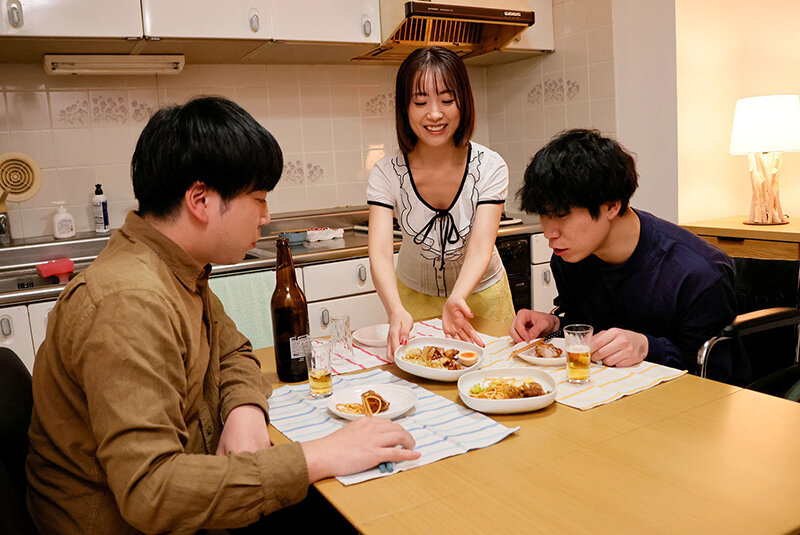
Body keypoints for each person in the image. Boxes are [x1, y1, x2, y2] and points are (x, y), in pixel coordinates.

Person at [26, 96, 420, 535]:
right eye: (258, 199)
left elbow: (233, 351)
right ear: (201, 200)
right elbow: (151, 492)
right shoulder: (129, 301)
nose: (266, 217)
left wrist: (244, 410)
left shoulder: (175, 265)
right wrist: (321, 455)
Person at [509, 128, 736, 374]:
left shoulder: (697, 273)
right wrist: (555, 324)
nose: (549, 232)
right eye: (543, 215)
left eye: (562, 215)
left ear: (612, 206)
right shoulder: (569, 258)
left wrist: (647, 347)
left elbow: (715, 375)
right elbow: (589, 330)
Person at [367, 46, 515, 358]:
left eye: (447, 100)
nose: (434, 114)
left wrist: (457, 297)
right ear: (405, 108)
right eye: (420, 102)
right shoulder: (386, 172)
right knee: (423, 377)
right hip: (412, 301)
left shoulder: (490, 166)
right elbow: (379, 250)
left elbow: (481, 246)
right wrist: (395, 309)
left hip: (480, 299)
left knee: (496, 378)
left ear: (464, 102)